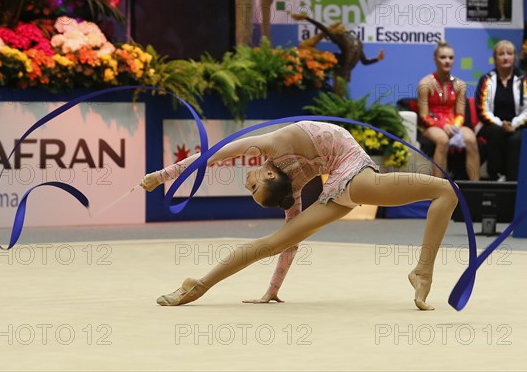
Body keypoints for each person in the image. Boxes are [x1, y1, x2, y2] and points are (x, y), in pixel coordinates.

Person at [141, 121, 458, 311]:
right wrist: (273, 289)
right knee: (445, 191)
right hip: (349, 179)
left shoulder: (273, 145)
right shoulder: (291, 184)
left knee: (271, 242)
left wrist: (161, 175)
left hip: (347, 178)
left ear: (267, 173)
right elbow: (288, 245)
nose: (247, 186)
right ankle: (423, 272)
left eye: (251, 189)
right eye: (253, 190)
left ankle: (199, 285)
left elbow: (211, 156)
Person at [475, 40, 527, 181]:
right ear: (495, 58)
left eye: (509, 54)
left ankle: (513, 181)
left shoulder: (523, 79)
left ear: (515, 57)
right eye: (501, 54)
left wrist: (514, 124)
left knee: (515, 140)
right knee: (497, 133)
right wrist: (501, 124)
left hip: (519, 125)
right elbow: (482, 110)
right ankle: (495, 176)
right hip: (492, 124)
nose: (505, 57)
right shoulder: (486, 79)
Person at [417, 41, 480, 181]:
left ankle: (476, 186)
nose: (447, 61)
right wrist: (442, 125)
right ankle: (438, 185)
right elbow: (424, 115)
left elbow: (460, 113)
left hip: (453, 124)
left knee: (470, 138)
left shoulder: (460, 84)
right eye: (443, 57)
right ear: (435, 59)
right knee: (443, 140)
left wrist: (456, 126)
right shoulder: (425, 84)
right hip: (431, 125)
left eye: (450, 58)